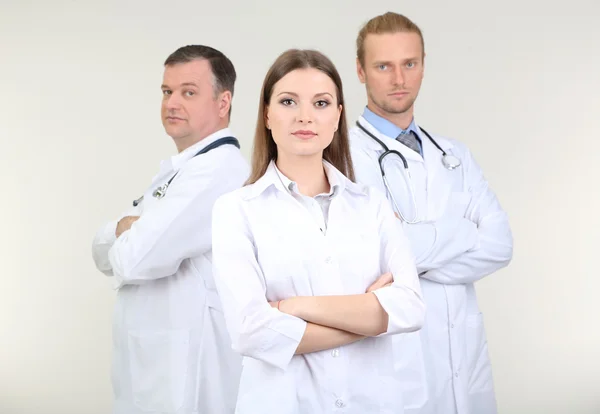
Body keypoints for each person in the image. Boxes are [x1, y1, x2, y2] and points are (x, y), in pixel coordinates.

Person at [210, 49, 426, 414]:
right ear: (266, 113)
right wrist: (371, 320)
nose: (305, 116)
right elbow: (252, 331)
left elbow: (410, 308)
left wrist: (295, 308)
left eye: (321, 103)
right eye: (288, 101)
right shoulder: (236, 210)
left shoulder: (371, 205)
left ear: (338, 115)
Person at [348, 12, 514, 414]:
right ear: (360, 71)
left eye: (410, 64)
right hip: (396, 358)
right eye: (383, 66)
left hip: (464, 359)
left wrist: (411, 259)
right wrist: (461, 232)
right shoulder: (343, 159)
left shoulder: (454, 155)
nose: (399, 79)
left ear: (424, 65)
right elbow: (371, 257)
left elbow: (500, 244)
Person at [91, 45, 249, 414]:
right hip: (155, 365)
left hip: (186, 371)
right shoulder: (180, 172)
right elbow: (100, 253)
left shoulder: (218, 171)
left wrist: (127, 232)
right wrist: (125, 228)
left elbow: (133, 259)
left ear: (223, 102)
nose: (172, 103)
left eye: (188, 92)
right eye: (167, 92)